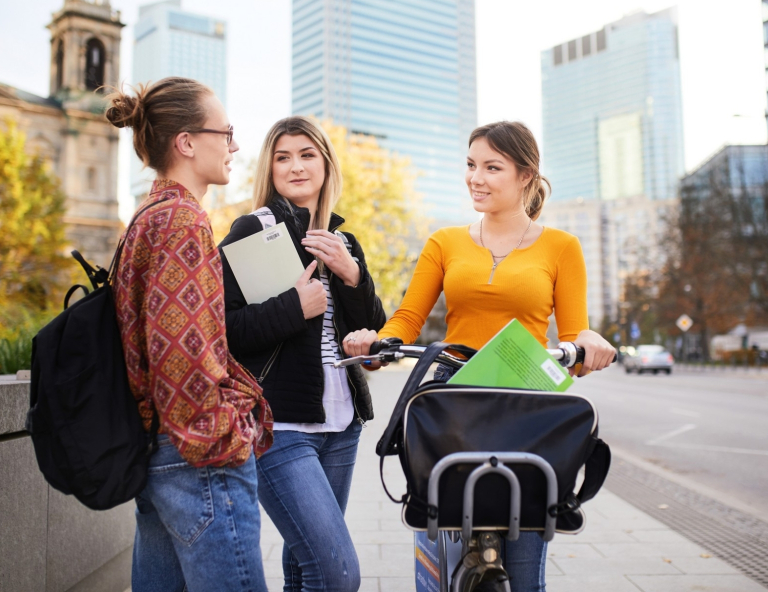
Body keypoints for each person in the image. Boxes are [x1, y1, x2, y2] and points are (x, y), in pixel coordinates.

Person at [343, 121, 616, 591]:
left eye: (492, 167)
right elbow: (407, 320)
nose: (476, 178)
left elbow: (573, 337)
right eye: (471, 165)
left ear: (526, 176)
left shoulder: (562, 247)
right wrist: (376, 345)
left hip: (527, 405)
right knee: (440, 546)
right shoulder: (444, 242)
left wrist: (589, 346)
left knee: (527, 565)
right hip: (455, 404)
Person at [106, 77, 273, 592]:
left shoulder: (146, 216)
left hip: (161, 448)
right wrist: (225, 439)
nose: (235, 146)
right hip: (197, 457)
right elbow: (181, 353)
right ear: (186, 143)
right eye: (225, 133)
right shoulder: (182, 219)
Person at [219, 115, 386, 592]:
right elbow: (222, 329)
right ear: (269, 169)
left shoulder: (344, 240)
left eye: (307, 154)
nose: (295, 167)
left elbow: (370, 330)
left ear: (326, 164)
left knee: (306, 568)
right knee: (337, 573)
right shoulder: (255, 229)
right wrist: (294, 307)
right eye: (282, 157)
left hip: (342, 425)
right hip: (280, 426)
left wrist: (353, 277)